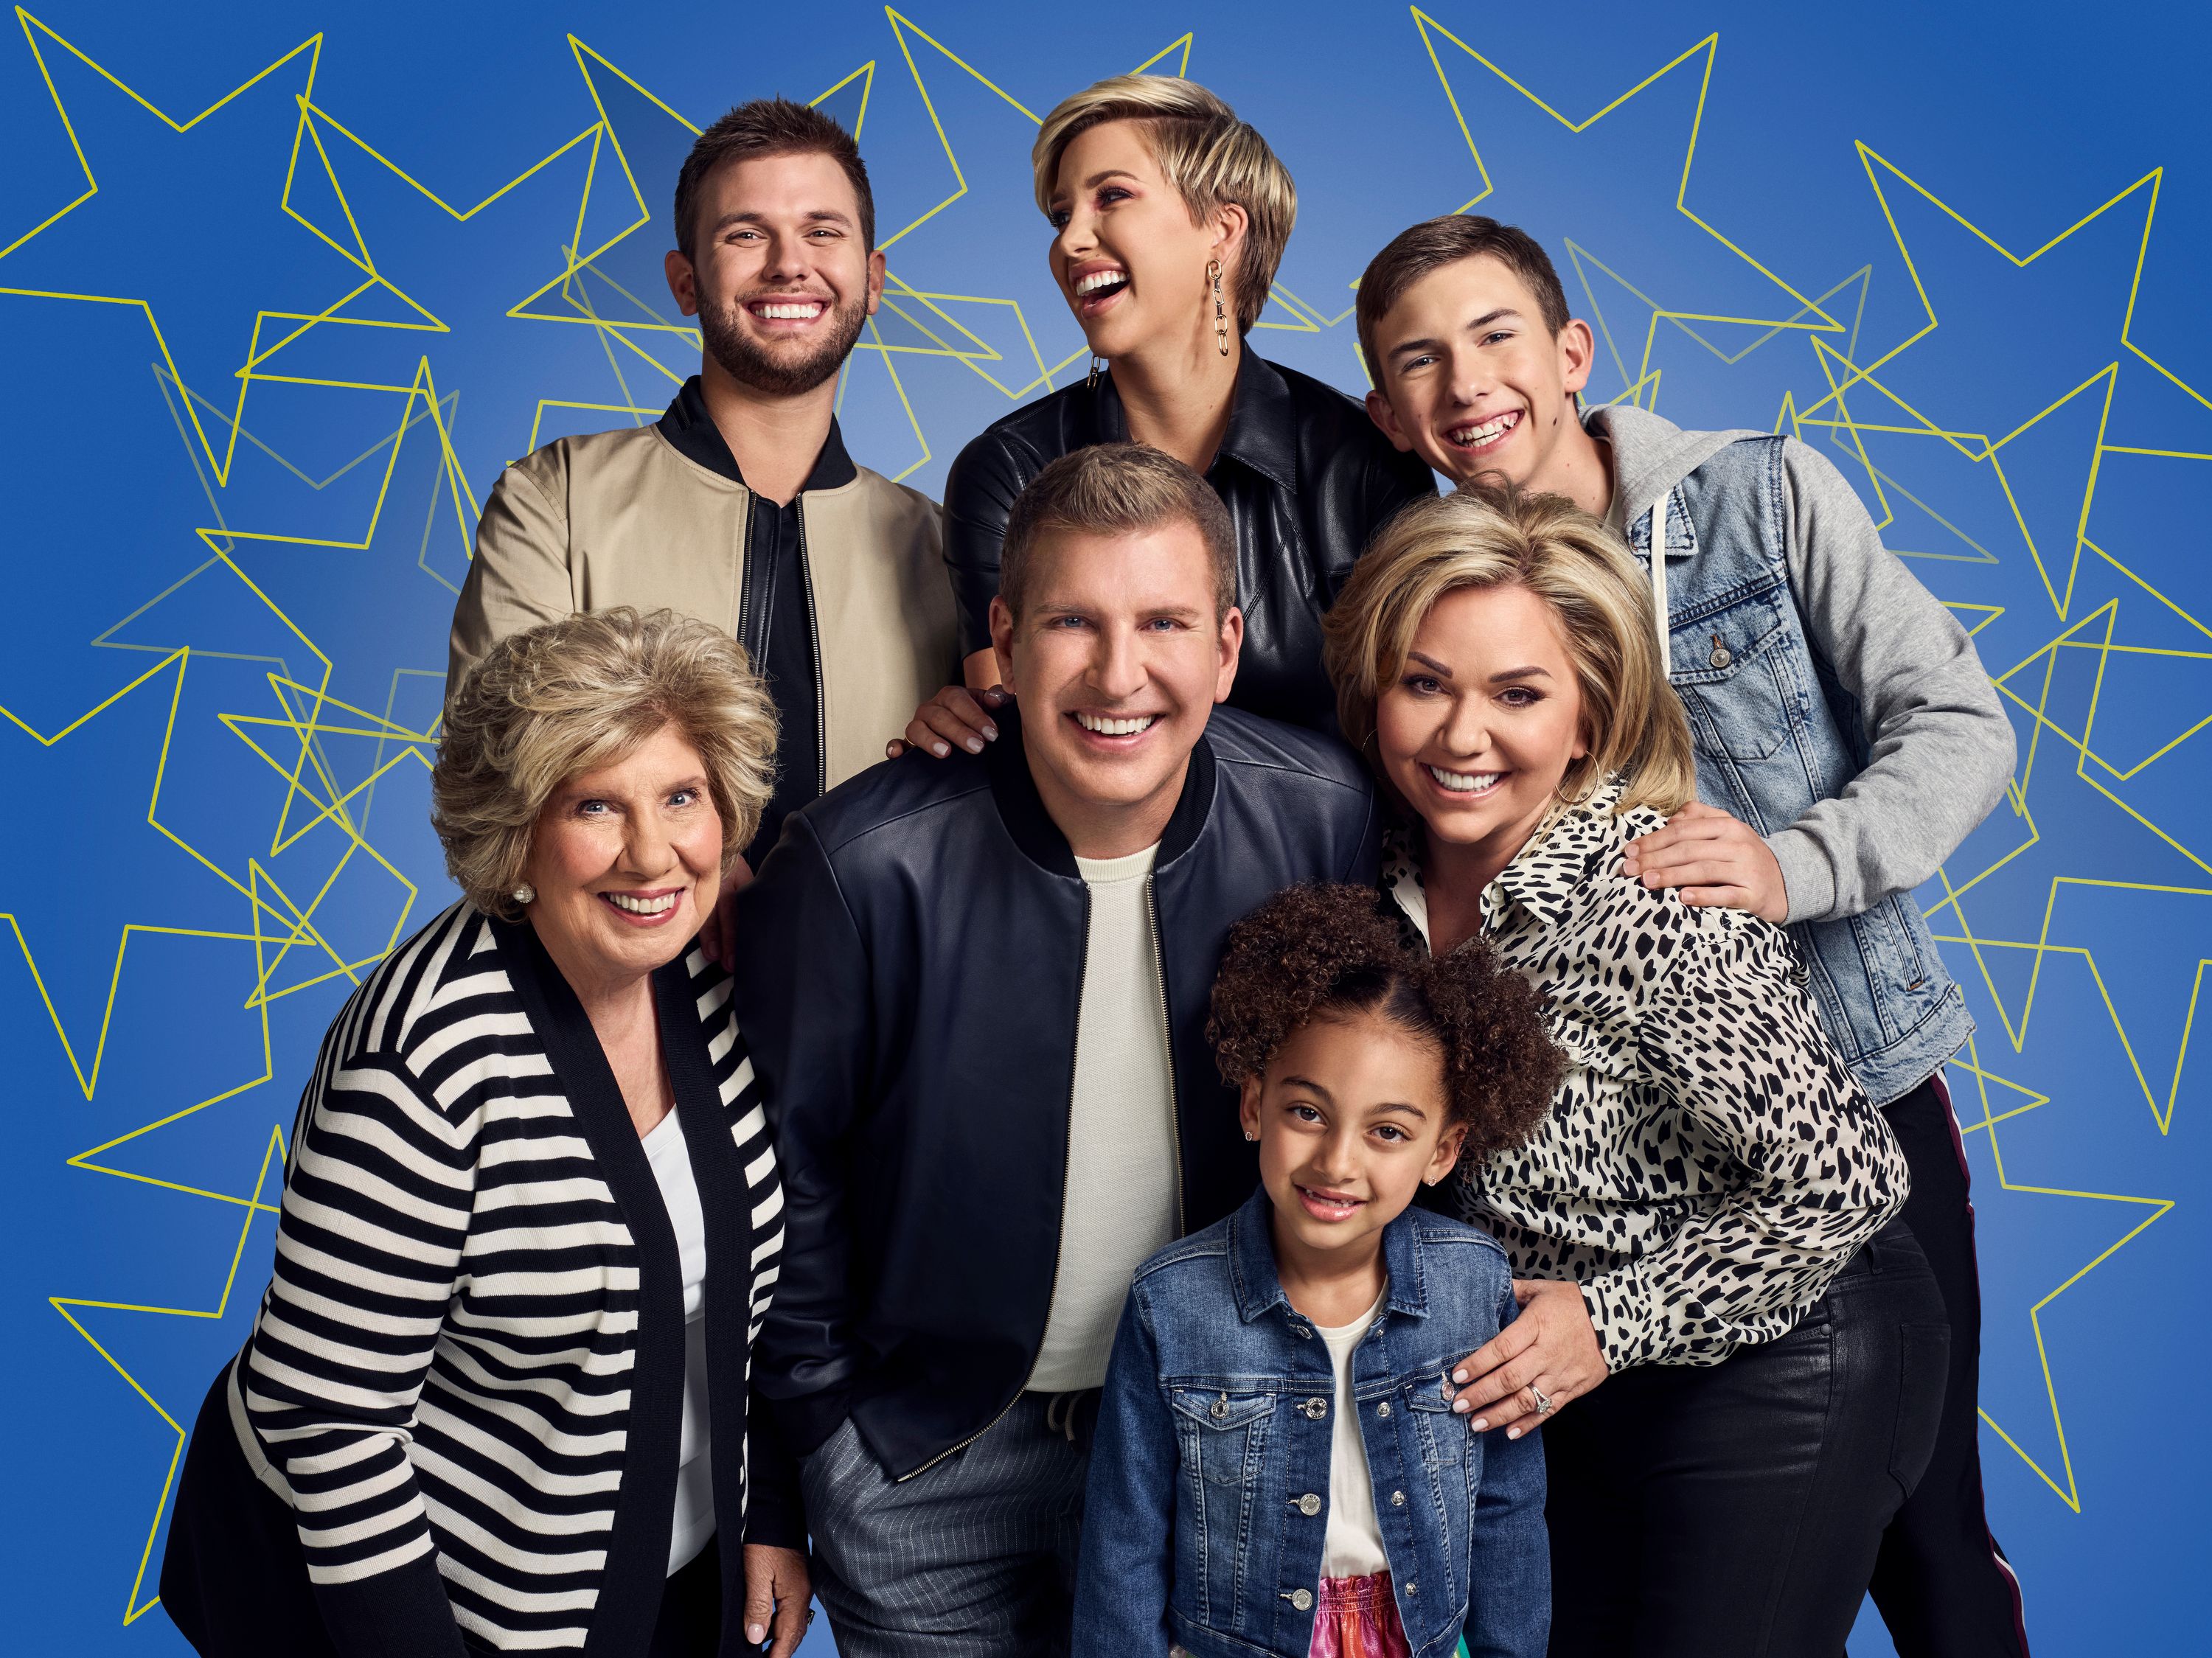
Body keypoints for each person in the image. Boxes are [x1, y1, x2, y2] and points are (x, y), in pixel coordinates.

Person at [1354, 213, 2027, 1656]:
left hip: (1838, 1088)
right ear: (1383, 409)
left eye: (1494, 337)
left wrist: (1794, 866)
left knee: (1924, 1524)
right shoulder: (1434, 591)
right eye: (1419, 359)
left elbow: (1963, 724)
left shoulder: (1755, 500)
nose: (1466, 383)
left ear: (1571, 353)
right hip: (1614, 1175)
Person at [732, 445, 1383, 1657]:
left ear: (1228, 646)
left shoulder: (1317, 811)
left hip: (1211, 1428)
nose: (1118, 671)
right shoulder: (859, 865)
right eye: (1073, 621)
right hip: (926, 1457)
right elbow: (786, 1182)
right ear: (1006, 639)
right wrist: (800, 1458)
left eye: (1164, 622)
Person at [1321, 489, 1950, 1656]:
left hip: (1789, 1353)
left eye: (1518, 694)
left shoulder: (1645, 895)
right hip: (1588, 1379)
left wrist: (1612, 1319)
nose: (1464, 736)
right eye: (1425, 683)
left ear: (1589, 717)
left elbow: (1848, 1180)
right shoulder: (1385, 890)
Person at [160, 610, 810, 1658]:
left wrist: (766, 1516)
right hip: (424, 1601)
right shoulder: (423, 1064)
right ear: (517, 831)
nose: (654, 853)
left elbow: (730, 1303)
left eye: (681, 797)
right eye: (596, 804)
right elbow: (329, 1425)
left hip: (666, 1567)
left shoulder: (706, 977)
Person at [448, 97, 957, 893]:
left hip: (879, 1005)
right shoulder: (555, 500)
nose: (790, 263)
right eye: (745, 233)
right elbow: (495, 772)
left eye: (824, 231)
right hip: (614, 990)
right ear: (686, 282)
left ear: (874, 278)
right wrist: (704, 873)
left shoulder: (940, 546)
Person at [1074, 883, 1559, 1658]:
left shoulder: (1475, 1287)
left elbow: (1506, 1510)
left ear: (1443, 1149)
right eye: (1307, 1112)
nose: (1338, 1161)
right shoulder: (1170, 1304)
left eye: (1388, 1131)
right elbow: (1124, 1544)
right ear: (1254, 1104)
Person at [896, 74, 1434, 762]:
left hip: (1339, 860)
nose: (1070, 242)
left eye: (1111, 197)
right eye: (1062, 216)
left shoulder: (1361, 461)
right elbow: (1037, 747)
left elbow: (1422, 723)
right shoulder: (1006, 470)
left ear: (1223, 228)